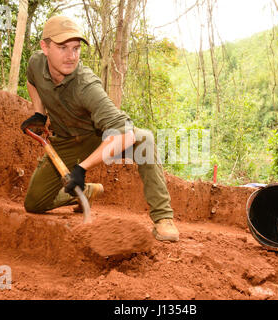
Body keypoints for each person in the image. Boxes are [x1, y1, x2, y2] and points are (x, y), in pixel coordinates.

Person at [20, 16, 179, 242]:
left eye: (76, 48)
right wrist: (39, 114)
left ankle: (163, 218)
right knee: (34, 204)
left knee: (144, 139)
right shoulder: (36, 63)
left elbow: (124, 134)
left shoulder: (86, 85)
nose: (71, 55)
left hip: (99, 137)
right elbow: (31, 81)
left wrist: (82, 168)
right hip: (65, 140)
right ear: (44, 47)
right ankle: (84, 193)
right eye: (63, 47)